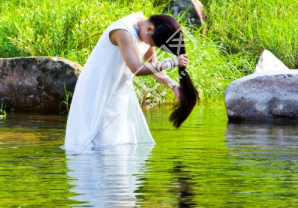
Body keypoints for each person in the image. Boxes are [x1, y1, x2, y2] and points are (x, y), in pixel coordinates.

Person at [63, 12, 198, 152]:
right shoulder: (123, 32)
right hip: (97, 90)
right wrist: (172, 62)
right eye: (152, 43)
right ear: (150, 29)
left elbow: (152, 67)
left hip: (118, 92)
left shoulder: (148, 31)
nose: (149, 45)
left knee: (116, 141)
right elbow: (137, 68)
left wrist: (174, 85)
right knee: (96, 142)